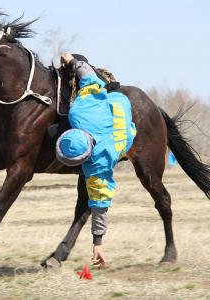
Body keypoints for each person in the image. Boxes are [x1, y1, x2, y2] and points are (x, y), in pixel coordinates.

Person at [55, 53, 137, 269]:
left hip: (122, 117)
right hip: (112, 102)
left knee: (129, 134)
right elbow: (88, 74)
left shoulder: (99, 163)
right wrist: (72, 60)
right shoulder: (80, 111)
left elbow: (100, 203)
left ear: (84, 160)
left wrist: (98, 243)